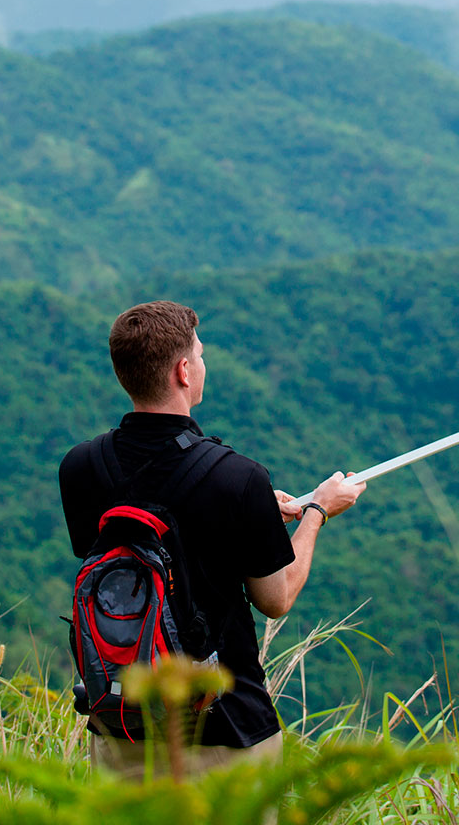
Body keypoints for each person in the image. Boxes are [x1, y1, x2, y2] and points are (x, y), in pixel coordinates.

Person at [58, 300, 366, 779]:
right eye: (199, 356)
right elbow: (276, 598)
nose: (202, 365)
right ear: (184, 371)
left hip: (120, 723)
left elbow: (130, 559)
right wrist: (317, 512)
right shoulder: (238, 479)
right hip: (224, 731)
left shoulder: (80, 468)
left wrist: (260, 514)